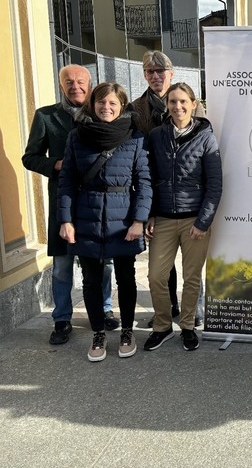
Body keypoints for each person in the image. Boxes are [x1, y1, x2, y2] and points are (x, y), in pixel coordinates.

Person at [22, 65, 119, 345]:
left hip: (97, 202)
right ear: (61, 85)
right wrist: (56, 164)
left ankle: (103, 309)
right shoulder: (46, 116)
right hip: (63, 201)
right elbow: (30, 157)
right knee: (63, 265)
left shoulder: (101, 113)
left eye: (80, 81)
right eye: (69, 81)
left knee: (104, 261)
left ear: (90, 85)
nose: (75, 86)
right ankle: (62, 318)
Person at [57, 82, 151, 362]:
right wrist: (66, 220)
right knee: (91, 281)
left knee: (126, 278)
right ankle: (98, 332)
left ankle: (126, 331)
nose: (106, 107)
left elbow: (144, 182)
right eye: (101, 102)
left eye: (112, 103)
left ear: (122, 106)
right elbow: (67, 181)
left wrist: (139, 220)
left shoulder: (135, 138)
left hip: (123, 220)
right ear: (92, 104)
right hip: (86, 217)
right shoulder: (77, 136)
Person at [144, 82, 222, 352]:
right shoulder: (156, 135)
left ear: (193, 104)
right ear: (166, 105)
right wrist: (151, 213)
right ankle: (163, 326)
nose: (177, 106)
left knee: (191, 277)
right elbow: (149, 177)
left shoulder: (206, 137)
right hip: (163, 218)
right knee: (156, 275)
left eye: (182, 101)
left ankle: (188, 326)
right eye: (172, 102)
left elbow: (215, 184)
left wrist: (204, 221)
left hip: (194, 221)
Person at [131, 50, 205, 326]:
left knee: (192, 265)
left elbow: (202, 142)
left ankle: (193, 310)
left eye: (160, 71)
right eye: (150, 71)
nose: (155, 76)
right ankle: (169, 309)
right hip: (158, 196)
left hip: (188, 197)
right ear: (145, 75)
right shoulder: (137, 109)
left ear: (171, 74)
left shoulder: (189, 103)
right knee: (162, 266)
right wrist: (146, 208)